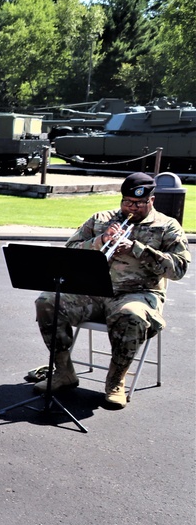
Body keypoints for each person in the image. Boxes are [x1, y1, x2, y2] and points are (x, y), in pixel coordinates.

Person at [33, 172, 189, 409]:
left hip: (138, 293)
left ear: (152, 200)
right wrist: (99, 241)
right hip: (93, 291)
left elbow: (178, 269)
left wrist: (138, 249)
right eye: (127, 202)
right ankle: (63, 372)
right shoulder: (100, 219)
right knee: (47, 301)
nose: (131, 208)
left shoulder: (167, 226)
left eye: (138, 203)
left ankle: (116, 381)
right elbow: (69, 251)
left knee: (131, 314)